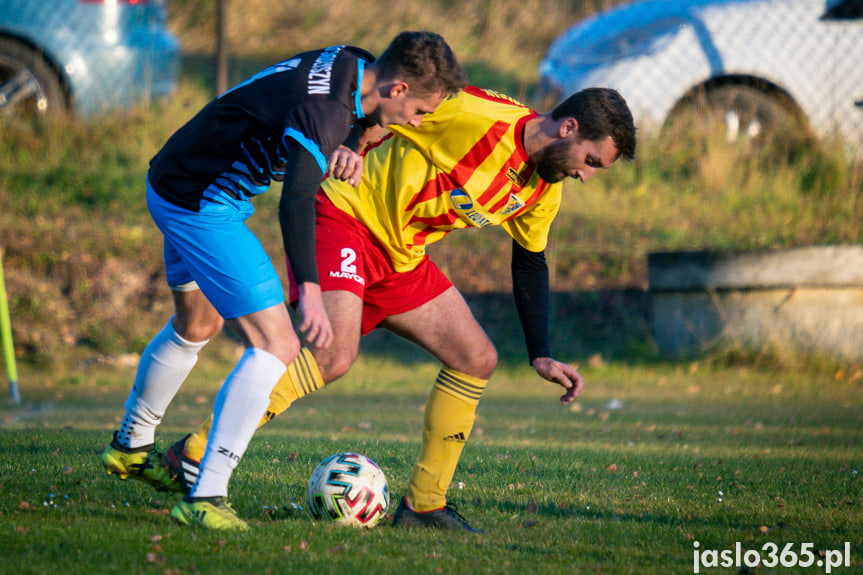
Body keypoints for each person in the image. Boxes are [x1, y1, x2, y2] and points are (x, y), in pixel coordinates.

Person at [161, 85, 636, 531]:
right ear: (569, 128)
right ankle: (196, 453)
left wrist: (541, 352)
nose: (586, 175)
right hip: (344, 216)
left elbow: (530, 261)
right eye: (591, 161)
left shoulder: (543, 188)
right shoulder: (475, 113)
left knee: (476, 358)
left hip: (401, 255)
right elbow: (390, 102)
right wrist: (350, 143)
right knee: (333, 356)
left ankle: (424, 505)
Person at [99, 31, 468, 531]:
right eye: (421, 111)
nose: (417, 123)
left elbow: (347, 119)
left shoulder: (354, 64)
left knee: (197, 322)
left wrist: (355, 146)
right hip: (202, 201)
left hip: (174, 176)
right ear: (398, 89)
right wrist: (311, 294)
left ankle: (131, 445)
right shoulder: (326, 112)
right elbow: (296, 197)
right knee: (276, 344)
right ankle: (207, 494)